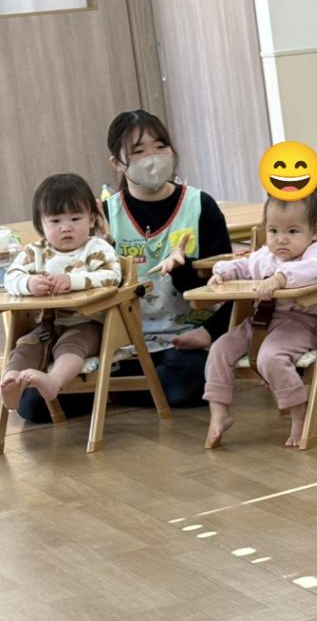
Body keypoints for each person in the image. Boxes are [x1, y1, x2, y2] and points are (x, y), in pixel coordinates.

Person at [17, 110, 235, 423]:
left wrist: (208, 329)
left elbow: (229, 285)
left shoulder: (201, 206)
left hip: (183, 339)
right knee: (33, 406)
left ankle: (110, 392)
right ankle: (120, 387)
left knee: (188, 383)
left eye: (160, 146)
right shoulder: (101, 217)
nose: (153, 158)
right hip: (117, 341)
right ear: (117, 163)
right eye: (138, 151)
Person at [203, 194, 317, 449]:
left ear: (314, 232)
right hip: (261, 321)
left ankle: (299, 415)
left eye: (292, 231)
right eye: (273, 231)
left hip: (301, 322)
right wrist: (222, 273)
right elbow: (245, 265)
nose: (281, 239)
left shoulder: (316, 252)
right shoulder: (265, 254)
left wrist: (280, 279)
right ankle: (219, 413)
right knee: (219, 349)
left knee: (270, 357)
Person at [1, 174, 121, 409]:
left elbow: (111, 276)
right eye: (55, 221)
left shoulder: (97, 248)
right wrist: (29, 283)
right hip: (46, 326)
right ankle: (11, 382)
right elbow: (10, 277)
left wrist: (72, 280)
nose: (66, 227)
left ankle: (54, 381)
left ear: (92, 220)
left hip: (88, 324)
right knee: (26, 345)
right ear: (41, 225)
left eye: (75, 218)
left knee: (72, 343)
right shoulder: (35, 252)